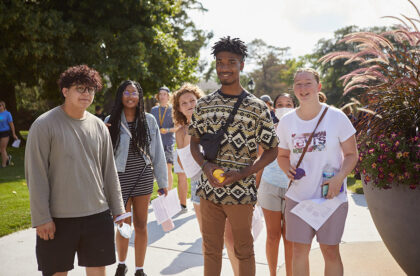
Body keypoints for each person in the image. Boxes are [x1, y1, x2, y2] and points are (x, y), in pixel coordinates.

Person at [189, 36, 279, 276]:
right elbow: (193, 144)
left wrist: (244, 173)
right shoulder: (204, 104)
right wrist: (206, 167)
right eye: (220, 62)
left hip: (241, 192)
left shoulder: (257, 107)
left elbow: (272, 149)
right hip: (209, 190)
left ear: (242, 65)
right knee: (210, 249)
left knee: (243, 250)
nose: (224, 67)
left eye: (231, 61)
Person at [25, 65, 126, 276]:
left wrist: (118, 210)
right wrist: (42, 217)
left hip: (97, 214)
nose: (86, 94)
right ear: (65, 91)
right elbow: (36, 175)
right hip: (57, 219)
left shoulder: (99, 127)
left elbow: (109, 171)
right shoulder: (43, 125)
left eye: (90, 89)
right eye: (80, 88)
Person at [277, 68, 358, 276]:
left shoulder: (337, 117)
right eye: (298, 84)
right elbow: (282, 156)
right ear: (294, 89)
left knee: (330, 251)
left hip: (331, 198)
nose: (303, 88)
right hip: (299, 197)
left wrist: (339, 178)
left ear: (318, 86)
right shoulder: (286, 122)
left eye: (308, 83)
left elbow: (352, 154)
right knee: (298, 252)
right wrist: (288, 170)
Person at [105, 80, 168, 276]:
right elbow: (102, 153)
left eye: (134, 93)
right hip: (119, 179)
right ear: (120, 96)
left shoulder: (149, 120)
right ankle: (121, 264)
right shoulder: (111, 120)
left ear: (139, 97)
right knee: (124, 224)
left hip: (143, 177)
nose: (130, 96)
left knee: (141, 224)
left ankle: (139, 269)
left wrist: (163, 182)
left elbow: (158, 152)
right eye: (126, 92)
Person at [256, 93, 295, 276]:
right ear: (274, 108)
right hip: (269, 186)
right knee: (273, 235)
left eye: (288, 103)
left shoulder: (301, 129)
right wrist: (254, 188)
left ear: (294, 106)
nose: (284, 107)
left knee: (289, 237)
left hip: (292, 188)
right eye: (280, 104)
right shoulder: (268, 130)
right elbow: (260, 160)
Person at [150, 87, 178, 191]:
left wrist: (167, 130)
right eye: (160, 94)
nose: (162, 96)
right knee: (154, 169)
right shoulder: (154, 110)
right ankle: (158, 192)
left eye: (165, 94)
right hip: (155, 143)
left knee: (167, 168)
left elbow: (177, 127)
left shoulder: (173, 110)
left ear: (168, 96)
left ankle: (168, 195)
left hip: (168, 143)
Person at [0, 100, 18, 168]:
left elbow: (11, 124)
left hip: (5, 132)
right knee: (1, 149)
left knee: (2, 149)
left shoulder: (7, 114)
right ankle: (7, 158)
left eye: (0, 105)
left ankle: (4, 165)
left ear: (3, 106)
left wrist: (14, 134)